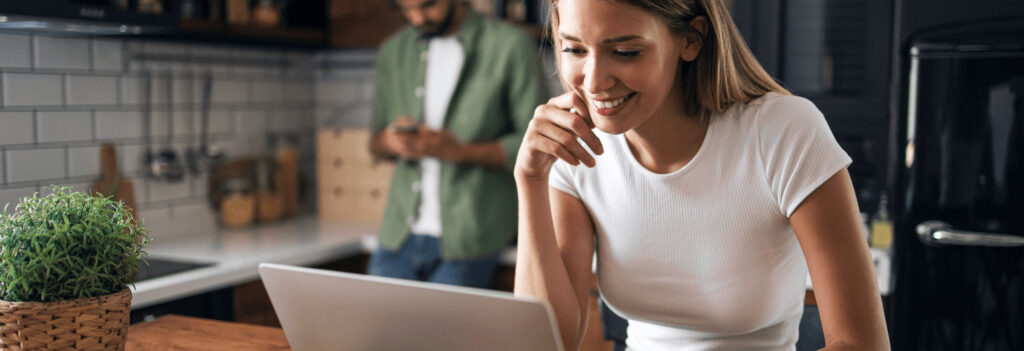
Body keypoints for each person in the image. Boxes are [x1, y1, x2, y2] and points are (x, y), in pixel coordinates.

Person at [512, 0, 891, 350]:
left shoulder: (782, 131)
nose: (593, 82)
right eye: (574, 49)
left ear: (691, 39)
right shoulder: (575, 147)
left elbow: (862, 344)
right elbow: (545, 341)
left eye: (625, 51)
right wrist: (530, 180)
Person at [367, 0, 548, 288]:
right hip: (397, 233)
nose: (416, 19)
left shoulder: (510, 46)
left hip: (472, 236)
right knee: (373, 332)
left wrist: (458, 152)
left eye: (426, 6)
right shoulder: (392, 51)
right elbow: (375, 143)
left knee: (445, 335)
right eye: (405, 9)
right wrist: (390, 142)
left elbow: (538, 146)